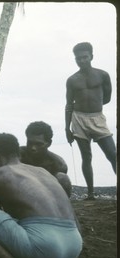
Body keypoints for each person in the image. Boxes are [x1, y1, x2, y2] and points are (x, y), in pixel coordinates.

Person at [65, 42, 117, 200]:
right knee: (86, 157)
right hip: (78, 119)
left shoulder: (102, 75)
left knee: (113, 154)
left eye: (84, 57)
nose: (81, 61)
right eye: (78, 59)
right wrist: (67, 129)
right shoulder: (72, 80)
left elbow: (107, 98)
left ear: (91, 57)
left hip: (97, 118)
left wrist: (93, 107)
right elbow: (68, 105)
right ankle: (90, 193)